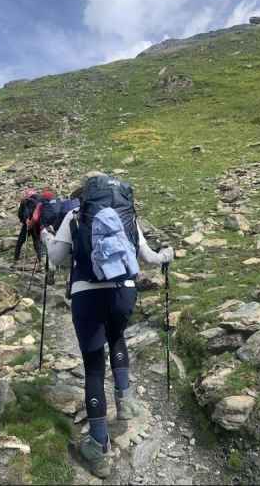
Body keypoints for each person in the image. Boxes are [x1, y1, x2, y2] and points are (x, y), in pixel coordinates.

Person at [41, 172, 173, 478]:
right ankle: (125, 403)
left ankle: (99, 448)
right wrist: (168, 254)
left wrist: (48, 237)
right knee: (117, 339)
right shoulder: (125, 215)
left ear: (83, 196)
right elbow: (149, 258)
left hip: (87, 296)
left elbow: (57, 259)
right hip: (124, 292)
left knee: (94, 367)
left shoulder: (74, 216)